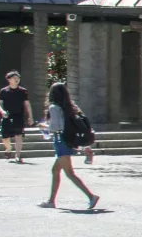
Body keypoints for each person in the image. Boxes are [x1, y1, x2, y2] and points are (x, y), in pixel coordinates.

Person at [36, 81, 97, 211]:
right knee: (55, 170)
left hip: (60, 142)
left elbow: (56, 128)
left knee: (69, 173)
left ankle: (91, 196)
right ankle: (51, 200)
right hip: (67, 141)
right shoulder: (70, 107)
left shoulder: (54, 108)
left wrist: (43, 126)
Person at [0, 69, 30, 163]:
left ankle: (18, 155)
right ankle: (8, 148)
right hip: (6, 116)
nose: (16, 80)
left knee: (18, 136)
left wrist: (30, 116)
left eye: (18, 78)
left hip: (19, 116)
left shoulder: (23, 91)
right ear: (9, 79)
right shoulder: (3, 91)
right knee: (5, 137)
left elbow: (27, 104)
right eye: (14, 78)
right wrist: (2, 111)